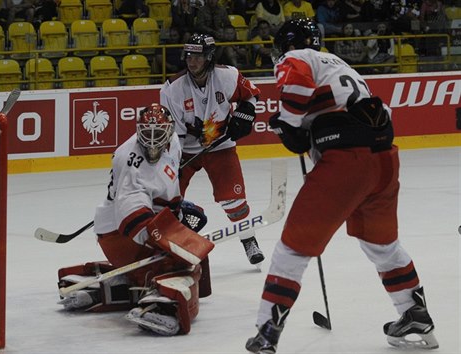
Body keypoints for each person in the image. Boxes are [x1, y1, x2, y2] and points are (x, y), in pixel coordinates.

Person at [245, 18, 439, 353]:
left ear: (288, 43)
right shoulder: (338, 63)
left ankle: (266, 332)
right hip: (383, 162)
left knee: (292, 250)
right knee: (382, 245)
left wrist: (288, 123)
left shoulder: (297, 58)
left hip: (347, 164)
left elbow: (298, 88)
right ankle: (413, 311)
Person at [57, 104, 214, 336]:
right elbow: (134, 223)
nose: (152, 141)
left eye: (158, 134)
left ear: (169, 131)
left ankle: (111, 286)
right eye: (147, 134)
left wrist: (177, 211)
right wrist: (175, 239)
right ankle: (162, 304)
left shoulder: (174, 142)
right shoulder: (132, 165)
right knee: (186, 263)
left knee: (189, 256)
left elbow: (161, 189)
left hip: (135, 225)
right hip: (121, 235)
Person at [160, 33, 266, 266]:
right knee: (166, 200)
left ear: (208, 57)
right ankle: (162, 246)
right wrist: (173, 162)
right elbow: (173, 133)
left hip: (221, 146)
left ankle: (249, 240)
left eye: (197, 56)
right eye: (188, 56)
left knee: (234, 201)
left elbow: (252, 95)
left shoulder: (228, 76)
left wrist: (245, 114)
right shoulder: (172, 88)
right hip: (185, 149)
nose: (191, 61)